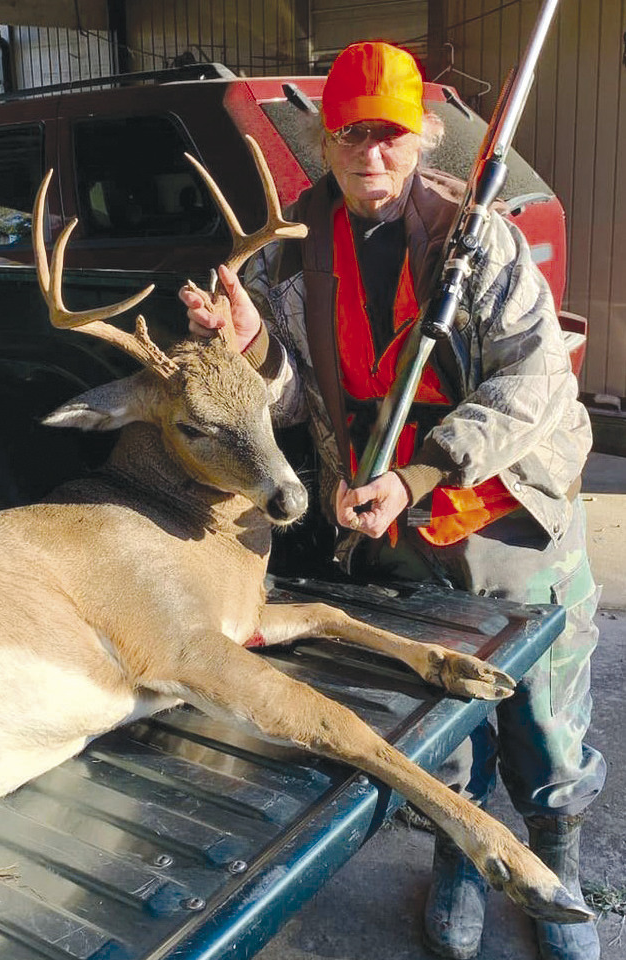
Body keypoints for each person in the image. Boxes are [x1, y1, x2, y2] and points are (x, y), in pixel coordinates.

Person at [179, 40, 605, 960]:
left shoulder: (476, 238)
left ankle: (557, 862)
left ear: (425, 138)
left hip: (504, 510)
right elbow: (293, 400)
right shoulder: (290, 254)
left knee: (542, 717)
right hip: (386, 521)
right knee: (440, 716)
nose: (370, 154)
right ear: (324, 140)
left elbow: (534, 388)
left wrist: (421, 472)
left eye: (389, 134)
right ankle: (462, 852)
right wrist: (250, 350)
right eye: (350, 134)